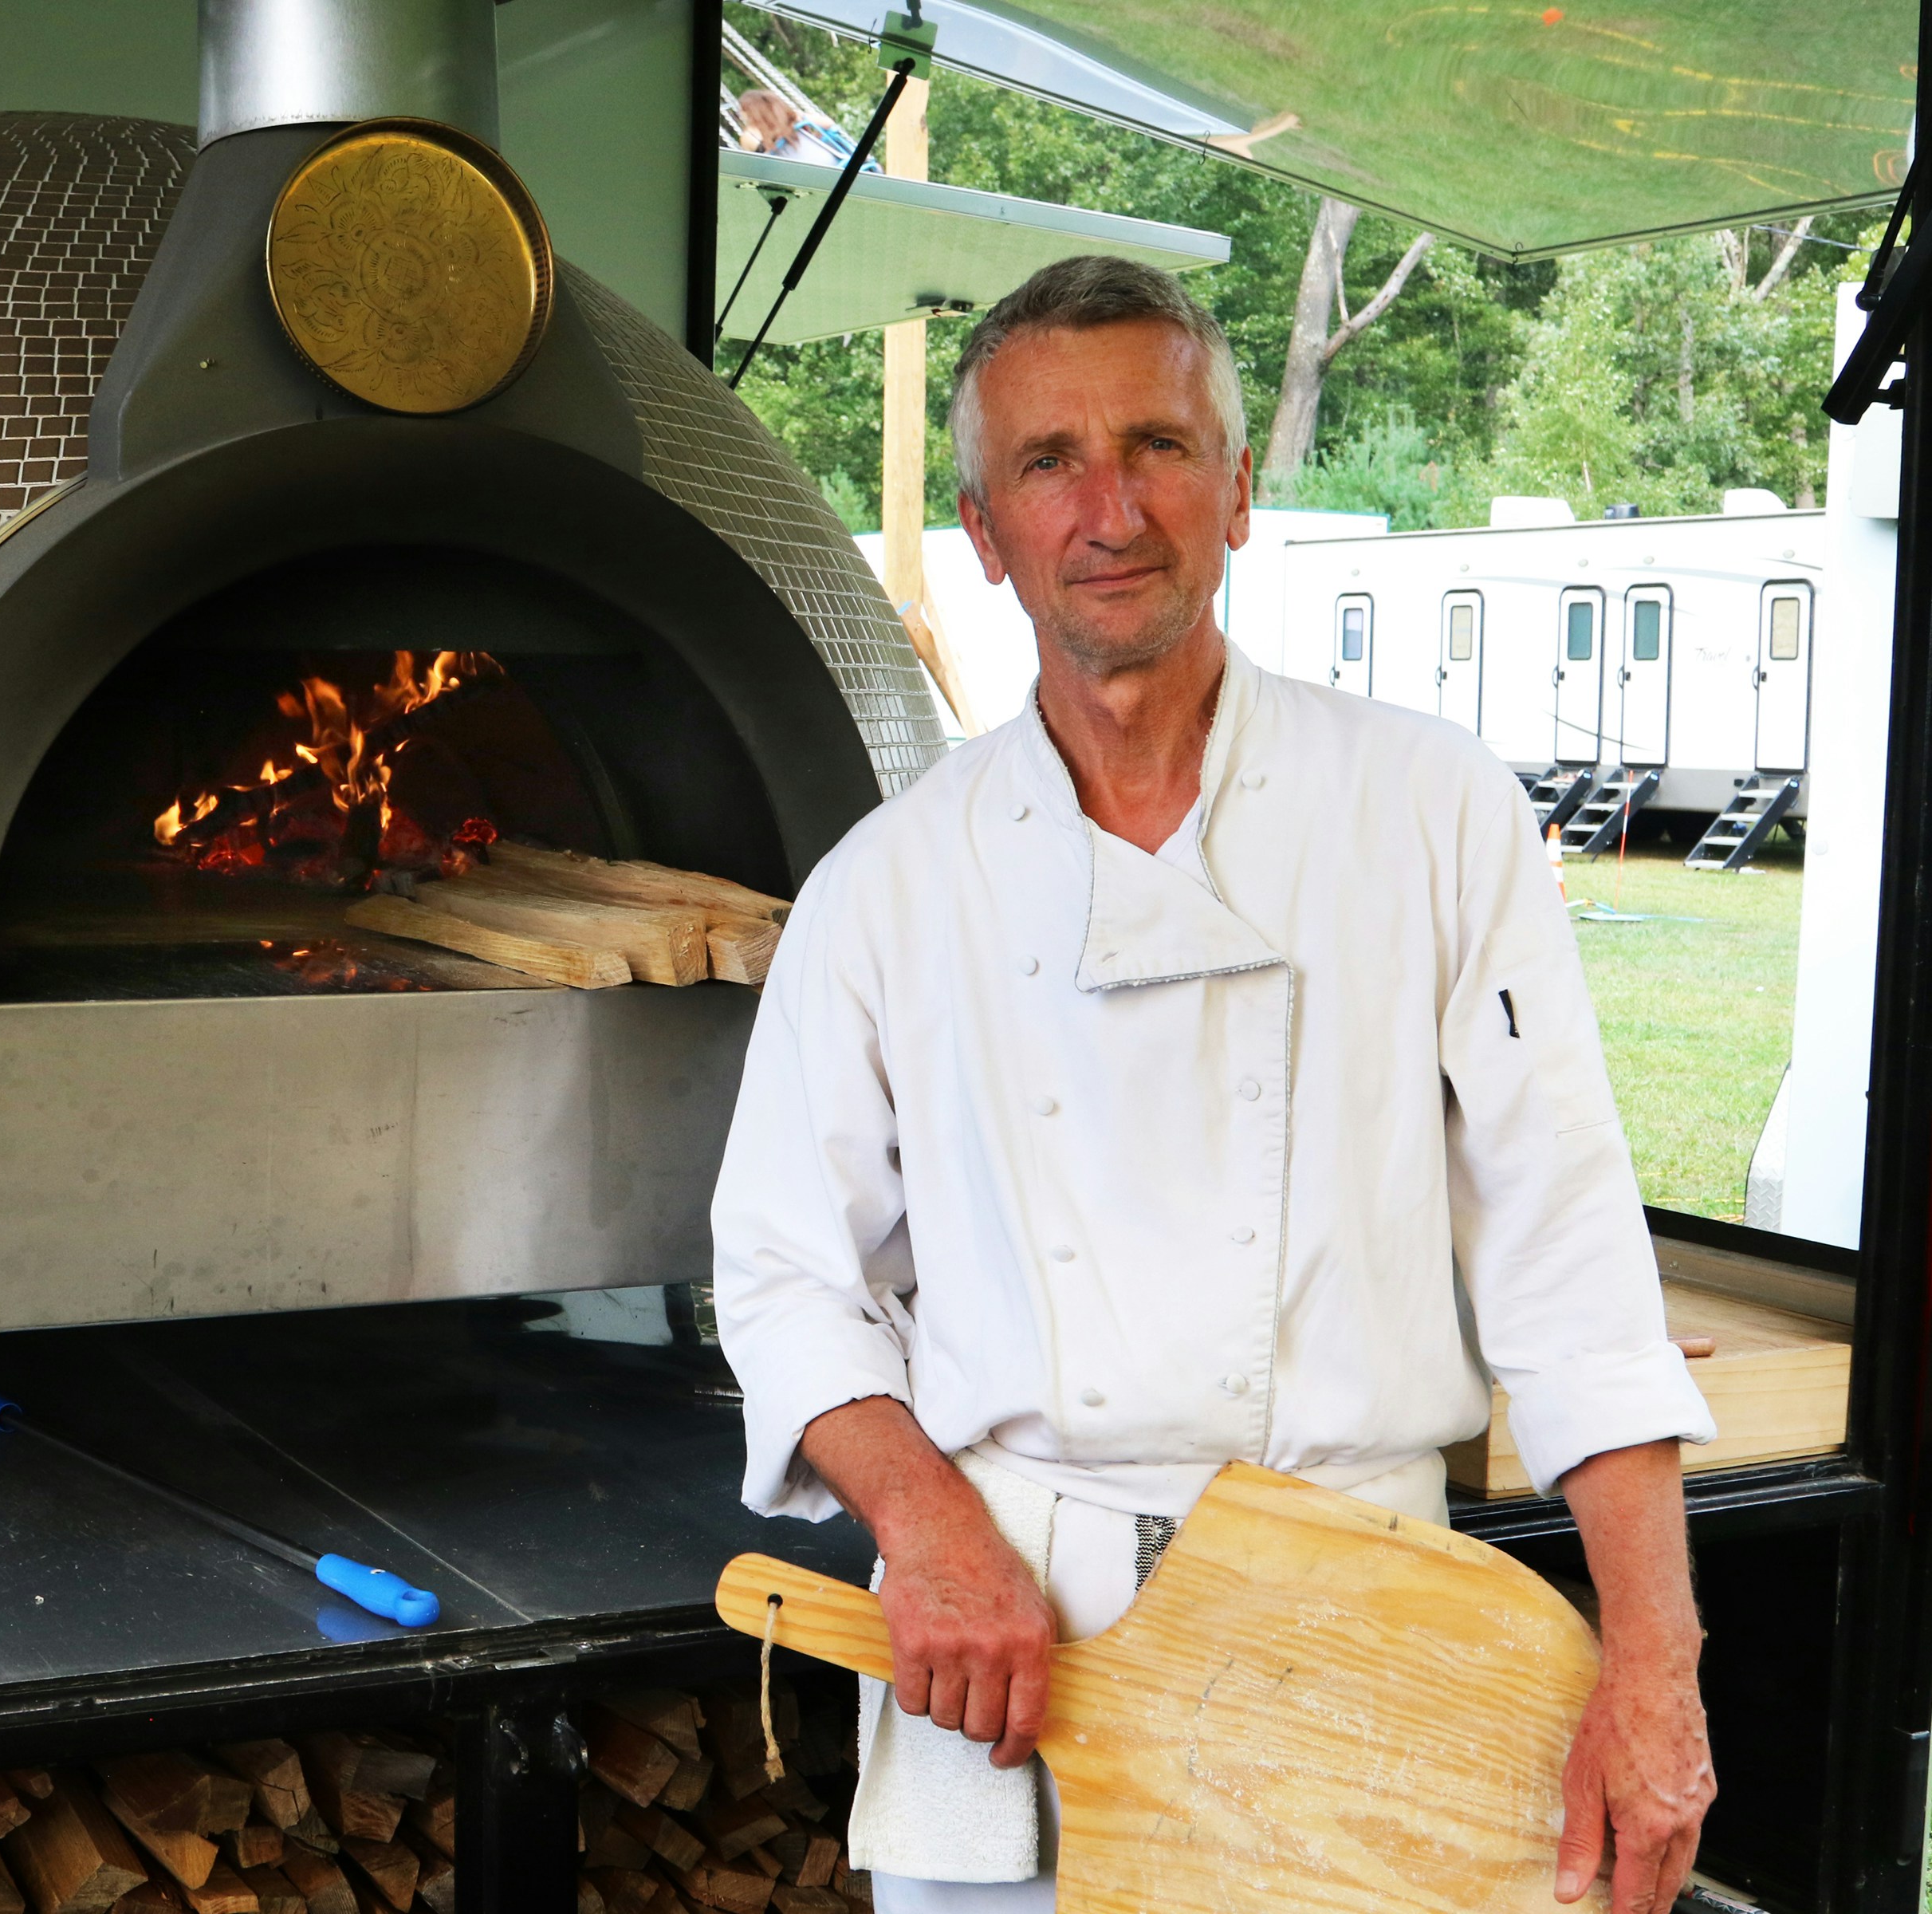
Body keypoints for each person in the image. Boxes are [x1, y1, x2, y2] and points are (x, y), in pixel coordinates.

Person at [710, 255, 1719, 1914]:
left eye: (1159, 447)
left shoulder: (1432, 813)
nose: (1110, 511)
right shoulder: (888, 885)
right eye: (1050, 462)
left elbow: (1571, 1265)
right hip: (1018, 1649)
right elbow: (783, 1271)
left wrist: (1655, 1666)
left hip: (1365, 1626)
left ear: (1239, 489)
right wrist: (928, 1533)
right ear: (985, 531)